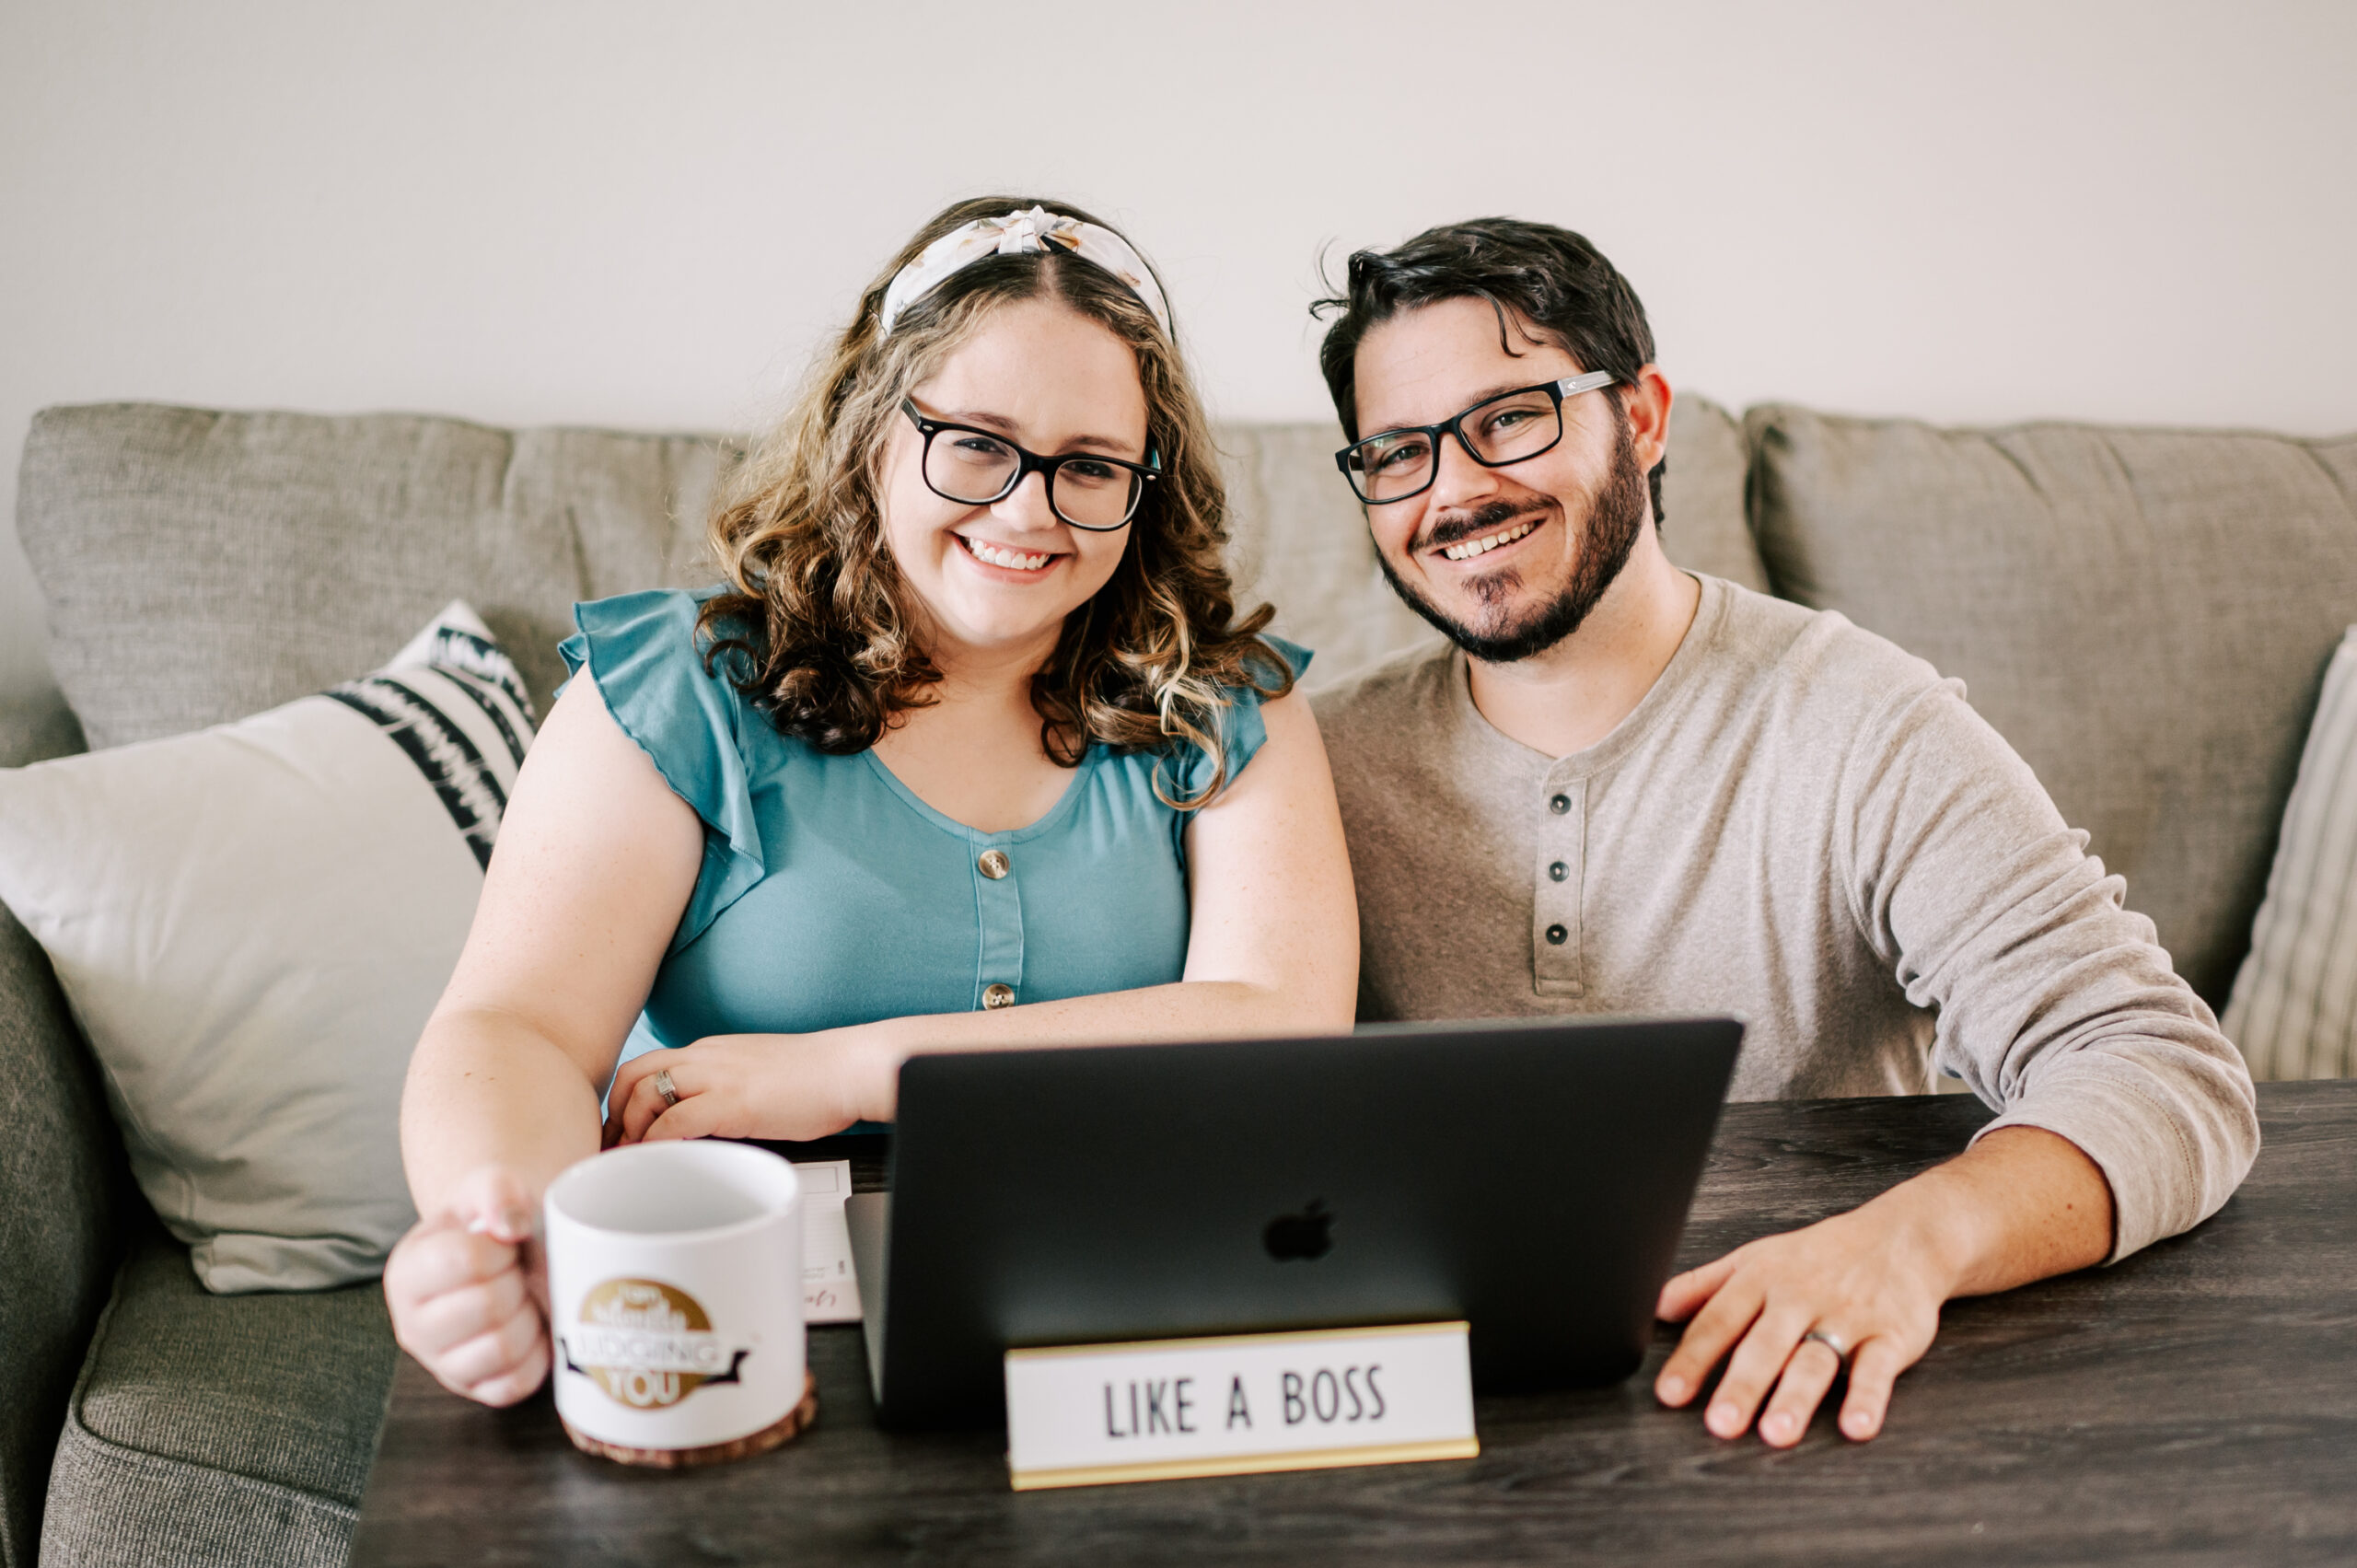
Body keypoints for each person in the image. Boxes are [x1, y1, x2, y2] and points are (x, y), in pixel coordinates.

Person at [383, 198, 1359, 1407]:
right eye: (975, 442)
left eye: (1090, 467)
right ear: (869, 427)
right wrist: (500, 1230)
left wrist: (855, 1070)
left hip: (1132, 1318)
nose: (1027, 509)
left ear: (1145, 488)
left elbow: (1280, 1023)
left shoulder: (1223, 703)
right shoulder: (685, 687)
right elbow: (514, 1029)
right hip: (741, 1330)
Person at [1307, 218, 2258, 1448]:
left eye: (1509, 419)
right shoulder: (1310, 765)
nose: (1454, 489)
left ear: (1642, 419)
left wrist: (1908, 1244)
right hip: (1432, 1410)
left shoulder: (1863, 721)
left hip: (1806, 1399)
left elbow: (2158, 1062)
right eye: (1397, 451)